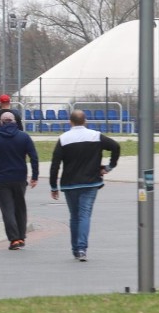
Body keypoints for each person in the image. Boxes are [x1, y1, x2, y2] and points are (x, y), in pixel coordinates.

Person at [49, 110, 120, 262]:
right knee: (84, 215)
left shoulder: (63, 139)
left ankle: (75, 249)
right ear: (85, 121)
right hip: (90, 182)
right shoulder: (95, 136)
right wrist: (109, 166)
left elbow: (55, 164)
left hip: (70, 184)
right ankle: (82, 249)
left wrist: (53, 186)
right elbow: (115, 146)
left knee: (74, 217)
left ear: (70, 122)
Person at [0, 111, 39, 250]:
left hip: (2, 178)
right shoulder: (23, 137)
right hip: (19, 177)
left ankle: (14, 239)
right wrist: (34, 176)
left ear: (1, 122)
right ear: (14, 122)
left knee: (7, 209)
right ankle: (21, 236)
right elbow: (34, 157)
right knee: (20, 207)